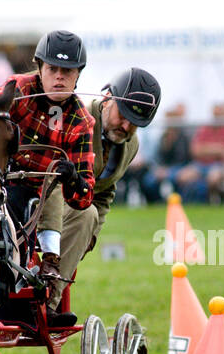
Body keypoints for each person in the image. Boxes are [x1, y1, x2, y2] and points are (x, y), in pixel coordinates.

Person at [0, 29, 96, 322]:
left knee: (77, 213)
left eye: (67, 71)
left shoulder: (82, 120)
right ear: (39, 68)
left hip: (41, 197)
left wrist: (73, 179)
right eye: (53, 69)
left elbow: (84, 196)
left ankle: (39, 297)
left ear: (78, 76)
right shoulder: (17, 90)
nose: (59, 77)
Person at [53, 68, 161, 310]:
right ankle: (48, 299)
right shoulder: (73, 117)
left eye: (134, 124)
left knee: (89, 215)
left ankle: (49, 294)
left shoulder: (130, 145)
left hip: (75, 217)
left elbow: (105, 194)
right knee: (85, 213)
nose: (125, 126)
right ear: (107, 98)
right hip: (41, 207)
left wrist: (89, 238)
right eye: (122, 115)